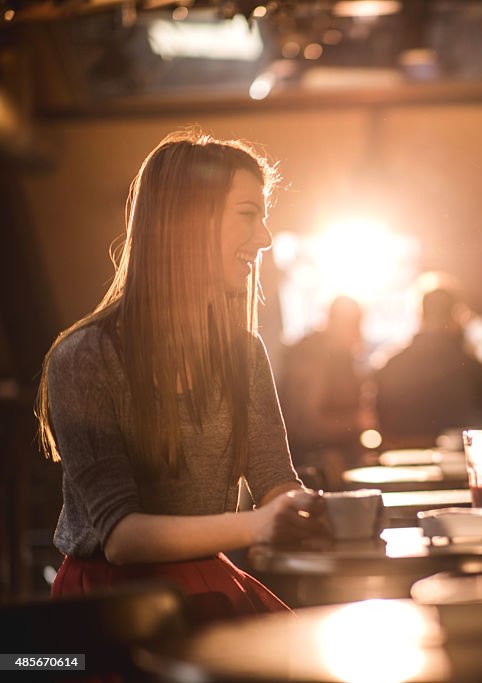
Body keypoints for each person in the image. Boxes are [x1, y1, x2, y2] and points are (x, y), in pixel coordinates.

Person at [36, 130, 324, 622]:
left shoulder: (244, 353)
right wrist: (259, 525)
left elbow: (276, 481)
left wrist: (304, 509)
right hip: (111, 608)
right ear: (189, 222)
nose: (266, 238)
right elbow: (122, 538)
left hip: (203, 581)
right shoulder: (84, 357)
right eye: (249, 214)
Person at [374, 281, 482, 448]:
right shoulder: (471, 367)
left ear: (420, 316)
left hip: (402, 465)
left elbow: (380, 421)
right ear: (455, 316)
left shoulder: (390, 365)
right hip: (458, 466)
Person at [279, 295, 371, 488]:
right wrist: (356, 421)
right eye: (355, 325)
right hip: (317, 473)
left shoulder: (340, 356)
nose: (359, 333)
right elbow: (306, 425)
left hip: (336, 468)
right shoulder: (311, 358)